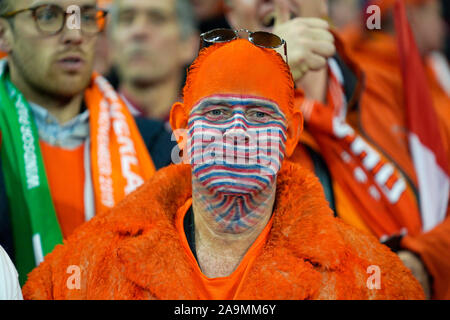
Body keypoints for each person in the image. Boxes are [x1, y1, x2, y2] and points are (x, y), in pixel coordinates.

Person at [22, 38, 424, 300]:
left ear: (291, 133)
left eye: (258, 114)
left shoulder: (368, 277)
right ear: (181, 127)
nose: (237, 131)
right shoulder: (87, 266)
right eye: (215, 112)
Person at [224, 0, 449, 299]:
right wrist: (261, 81)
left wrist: (422, 263)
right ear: (229, 14)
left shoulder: (393, 87)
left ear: (325, 5)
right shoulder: (207, 122)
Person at [0, 0, 174, 285]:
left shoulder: (156, 146)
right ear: (3, 32)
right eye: (47, 15)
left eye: (87, 15)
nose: (75, 33)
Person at [340, 0, 450, 299]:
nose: (443, 26)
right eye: (437, 14)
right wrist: (424, 260)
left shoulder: (427, 73)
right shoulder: (386, 83)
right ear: (411, 12)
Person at [108, 0, 198, 121]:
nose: (138, 31)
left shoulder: (213, 132)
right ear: (111, 44)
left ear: (188, 45)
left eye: (157, 19)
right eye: (127, 19)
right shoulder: (84, 128)